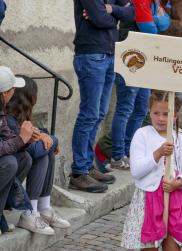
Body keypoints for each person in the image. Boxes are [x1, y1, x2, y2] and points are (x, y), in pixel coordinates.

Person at [70, 0, 135, 193]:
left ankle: (88, 167)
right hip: (91, 55)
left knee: (99, 114)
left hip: (109, 55)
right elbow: (99, 19)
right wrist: (115, 16)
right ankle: (79, 172)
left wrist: (112, 10)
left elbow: (131, 13)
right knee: (89, 115)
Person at [121, 91, 182, 250]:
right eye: (156, 113)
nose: (161, 118)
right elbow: (136, 171)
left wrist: (179, 182)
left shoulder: (179, 138)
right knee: (149, 245)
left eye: (166, 114)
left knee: (173, 244)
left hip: (173, 195)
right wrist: (158, 153)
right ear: (150, 112)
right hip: (149, 198)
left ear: (175, 115)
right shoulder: (142, 135)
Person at [105, 0, 170, 170]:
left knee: (141, 108)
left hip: (144, 60)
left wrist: (155, 19)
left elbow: (166, 23)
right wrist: (156, 19)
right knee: (125, 108)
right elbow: (151, 29)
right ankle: (118, 156)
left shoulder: (153, 1)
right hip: (131, 58)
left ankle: (130, 150)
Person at [6, 75, 70, 235]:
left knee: (46, 152)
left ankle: (43, 207)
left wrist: (42, 135)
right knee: (42, 151)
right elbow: (32, 149)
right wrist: (52, 140)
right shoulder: (7, 118)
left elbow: (35, 137)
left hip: (11, 175)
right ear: (26, 97)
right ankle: (30, 212)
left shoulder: (17, 116)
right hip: (7, 182)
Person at [0, 66, 33, 235]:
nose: (14, 92)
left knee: (24, 158)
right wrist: (20, 139)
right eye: (13, 89)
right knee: (9, 162)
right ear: (6, 92)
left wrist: (27, 139)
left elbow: (7, 137)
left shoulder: (2, 109)